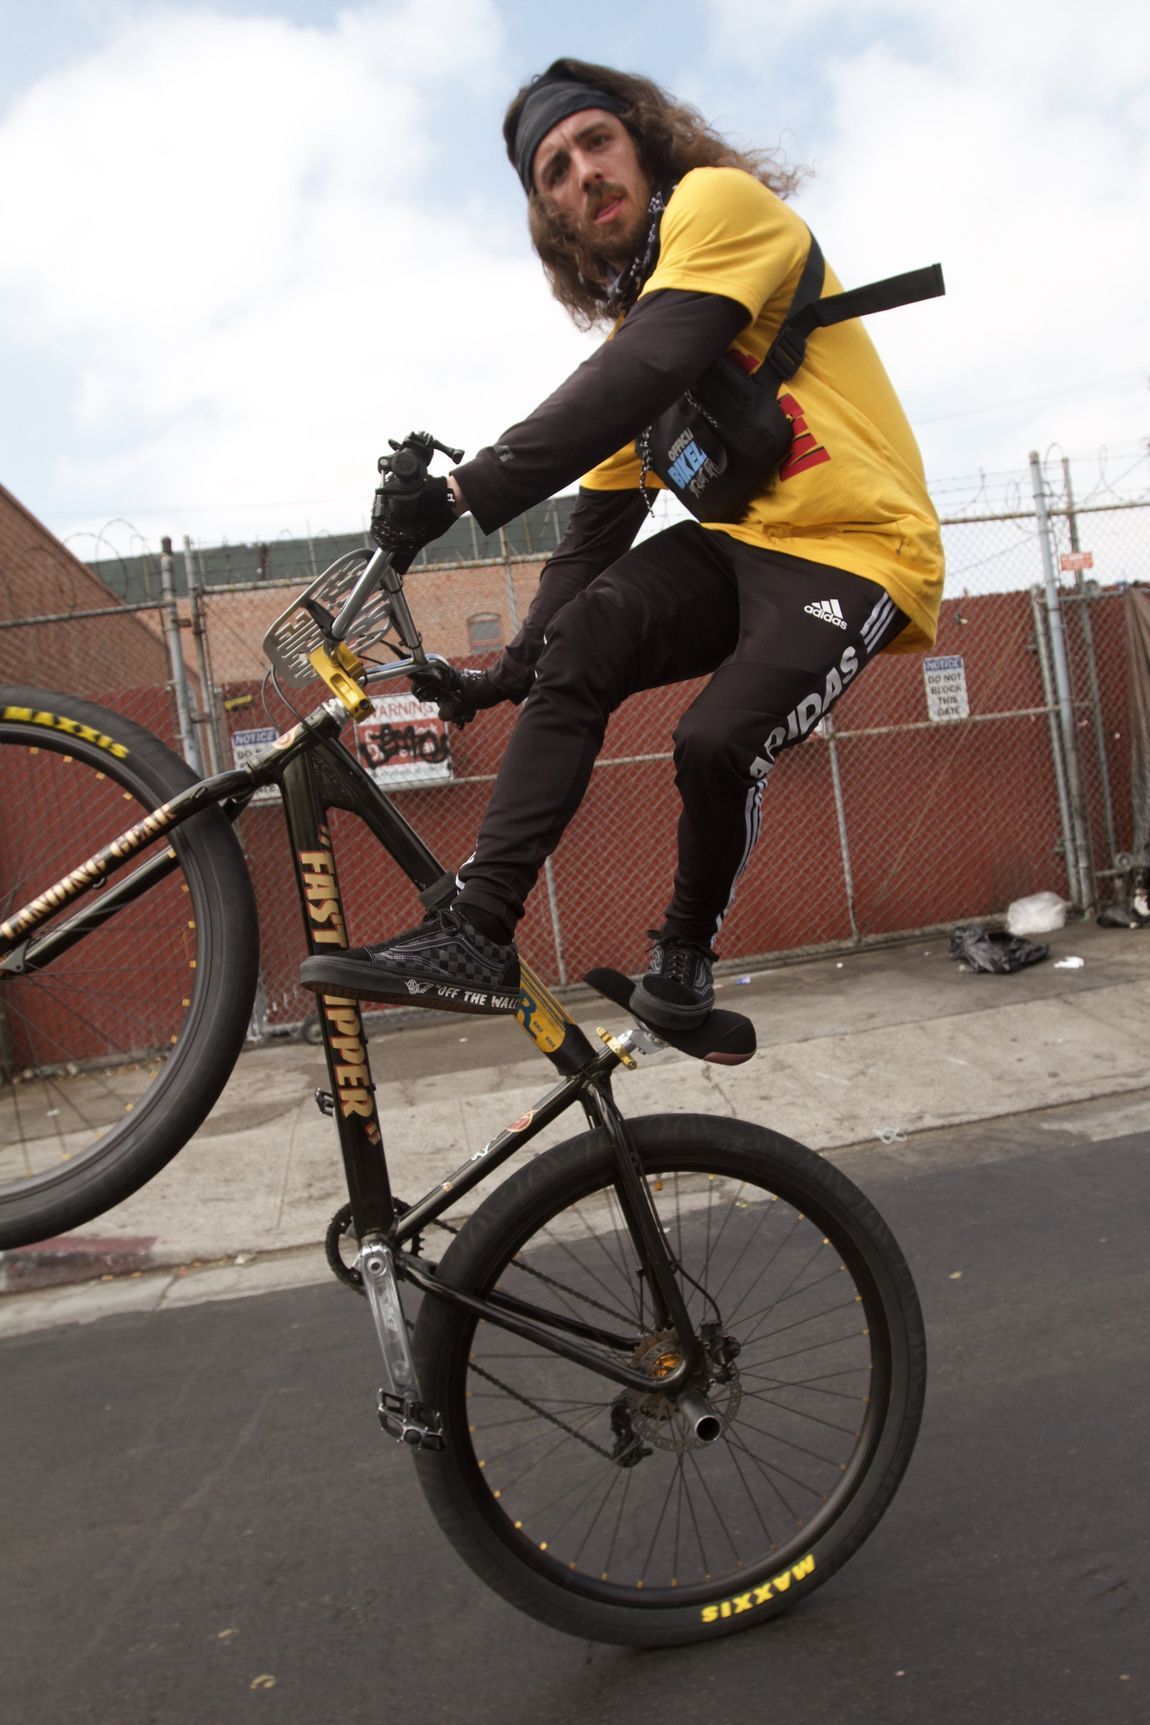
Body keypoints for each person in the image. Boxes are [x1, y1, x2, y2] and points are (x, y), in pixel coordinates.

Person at [300, 56, 944, 1030]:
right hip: (744, 549)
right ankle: (476, 934)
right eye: (553, 170)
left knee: (714, 739)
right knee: (589, 632)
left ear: (641, 146)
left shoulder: (721, 209)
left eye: (595, 142)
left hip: (862, 550)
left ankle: (683, 962)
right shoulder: (633, 356)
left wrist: (461, 491)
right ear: (550, 217)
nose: (582, 173)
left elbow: (650, 364)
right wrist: (501, 677)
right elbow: (587, 546)